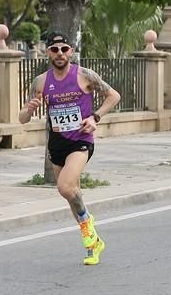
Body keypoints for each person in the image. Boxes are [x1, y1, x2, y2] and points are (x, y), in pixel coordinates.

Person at [19, 31, 121, 265]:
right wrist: (30, 109)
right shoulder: (41, 82)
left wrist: (95, 117)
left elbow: (113, 96)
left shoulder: (85, 75)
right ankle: (93, 244)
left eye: (64, 49)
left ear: (71, 52)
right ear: (48, 53)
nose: (60, 54)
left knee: (65, 188)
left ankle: (87, 226)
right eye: (55, 50)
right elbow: (22, 118)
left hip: (81, 139)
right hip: (57, 142)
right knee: (73, 195)